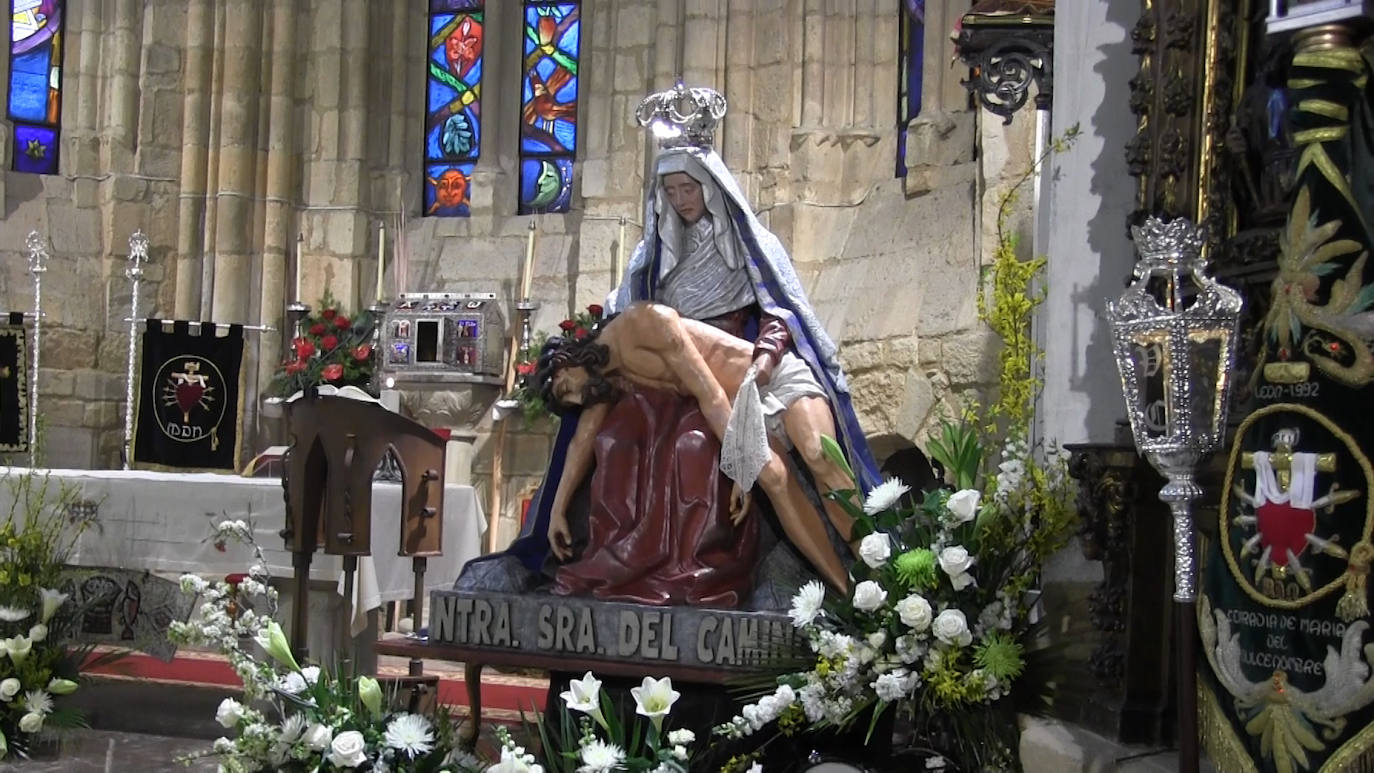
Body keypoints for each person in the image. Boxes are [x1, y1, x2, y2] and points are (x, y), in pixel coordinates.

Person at [536, 303, 859, 592]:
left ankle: (876, 567)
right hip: (741, 410)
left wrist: (739, 467)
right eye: (571, 400)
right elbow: (583, 438)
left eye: (568, 388)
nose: (580, 398)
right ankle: (847, 592)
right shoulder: (607, 375)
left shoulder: (646, 322)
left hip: (771, 379)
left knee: (819, 455)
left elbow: (711, 395)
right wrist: (556, 510)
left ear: (567, 361)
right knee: (774, 479)